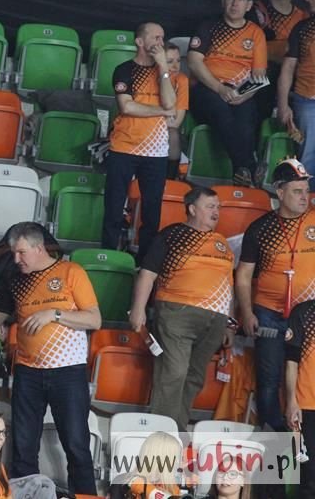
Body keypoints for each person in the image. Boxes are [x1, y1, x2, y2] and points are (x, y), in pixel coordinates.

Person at [0, 222, 100, 495]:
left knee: (76, 445)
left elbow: (94, 319)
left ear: (39, 248)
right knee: (23, 447)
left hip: (67, 372)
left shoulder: (71, 272)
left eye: (21, 252)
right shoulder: (16, 280)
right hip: (27, 372)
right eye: (13, 253)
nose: (16, 259)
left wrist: (54, 314)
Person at [129, 186, 235, 430]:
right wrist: (138, 309)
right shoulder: (172, 235)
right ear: (192, 209)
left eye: (218, 207)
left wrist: (230, 323)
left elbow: (228, 285)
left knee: (195, 377)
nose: (216, 212)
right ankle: (160, 433)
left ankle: (176, 429)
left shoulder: (222, 243)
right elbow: (147, 274)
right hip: (178, 313)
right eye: (210, 206)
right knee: (174, 372)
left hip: (216, 319)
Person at [236, 158, 315, 431]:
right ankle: (276, 437)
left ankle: (304, 439)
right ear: (280, 193)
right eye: (297, 191)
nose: (305, 197)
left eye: (307, 191)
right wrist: (247, 312)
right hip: (270, 313)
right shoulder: (261, 228)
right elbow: (243, 275)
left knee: (306, 379)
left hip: (309, 317)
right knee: (269, 380)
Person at [102, 22, 177, 262]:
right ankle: (108, 257)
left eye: (162, 38)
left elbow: (170, 103)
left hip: (156, 152)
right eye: (155, 38)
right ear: (139, 42)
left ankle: (145, 263)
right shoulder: (124, 70)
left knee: (152, 212)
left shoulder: (166, 73)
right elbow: (127, 107)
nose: (160, 43)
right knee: (114, 207)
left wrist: (163, 67)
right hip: (124, 146)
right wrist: (161, 112)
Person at [188, 0, 267, 187]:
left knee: (246, 121)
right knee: (222, 112)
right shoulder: (208, 26)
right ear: (223, 1)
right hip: (207, 89)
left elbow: (259, 75)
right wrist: (219, 88)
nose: (235, 4)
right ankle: (248, 167)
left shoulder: (256, 33)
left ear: (249, 5)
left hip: (240, 91)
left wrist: (244, 94)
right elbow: (194, 62)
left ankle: (241, 177)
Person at [248, 0, 307, 120]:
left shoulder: (303, 17)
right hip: (260, 72)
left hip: (294, 73)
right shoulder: (254, 11)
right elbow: (248, 48)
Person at [277, 0, 315, 193]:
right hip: (307, 98)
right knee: (309, 155)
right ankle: (307, 204)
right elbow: (288, 68)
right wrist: (283, 105)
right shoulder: (302, 28)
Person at [284, 298, 315, 499]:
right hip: (306, 406)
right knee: (309, 476)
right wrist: (291, 401)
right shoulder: (304, 312)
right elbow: (291, 361)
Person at [165, 42, 189, 180]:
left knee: (173, 134)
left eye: (178, 61)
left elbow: (177, 121)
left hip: (167, 129)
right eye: (170, 62)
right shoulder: (149, 77)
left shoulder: (182, 80)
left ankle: (169, 181)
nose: (176, 66)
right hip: (143, 127)